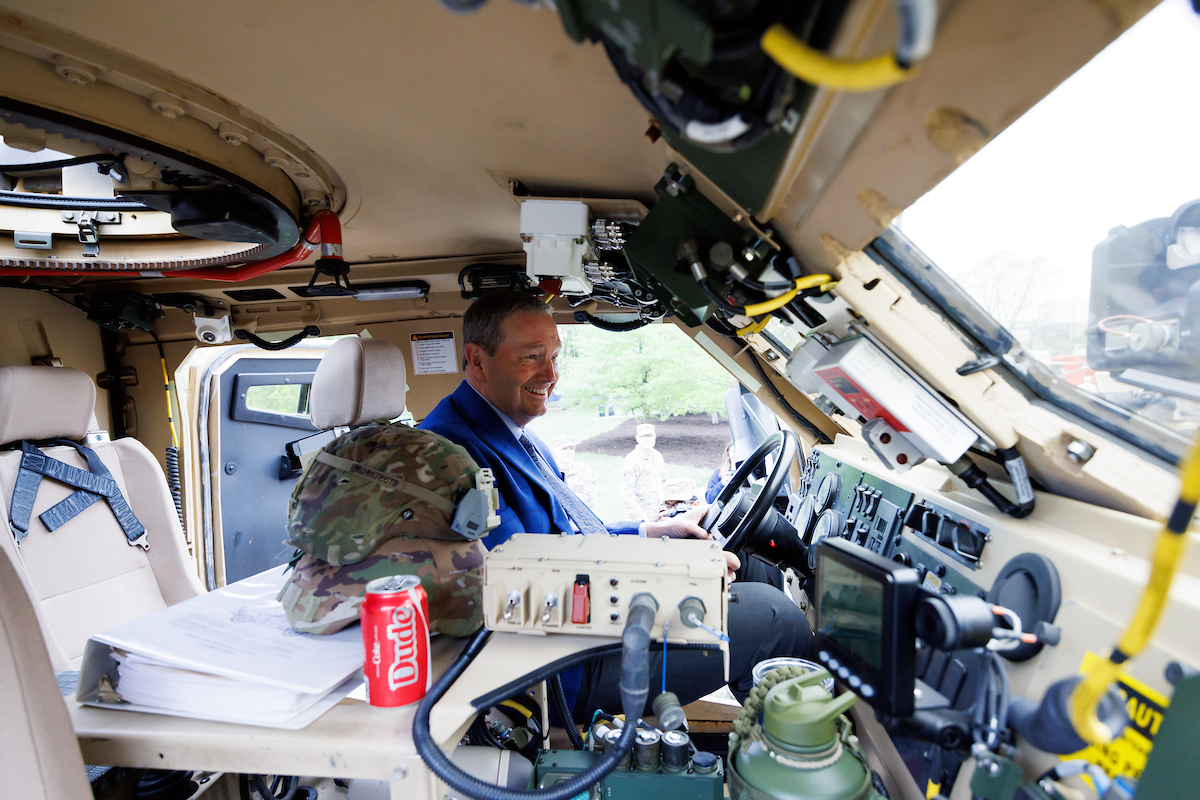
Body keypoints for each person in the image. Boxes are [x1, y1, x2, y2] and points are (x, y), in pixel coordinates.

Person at [420, 290, 813, 720]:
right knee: (777, 619)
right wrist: (679, 580)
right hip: (561, 665)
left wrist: (653, 533)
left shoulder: (512, 431)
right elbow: (523, 588)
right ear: (477, 361)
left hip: (585, 620)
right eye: (531, 357)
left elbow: (570, 536)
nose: (550, 374)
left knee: (751, 563)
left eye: (555, 356)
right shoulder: (451, 455)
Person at [622, 423, 665, 520]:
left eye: (650, 436)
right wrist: (641, 517)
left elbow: (663, 483)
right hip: (641, 515)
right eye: (644, 436)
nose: (648, 439)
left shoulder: (658, 456)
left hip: (659, 512)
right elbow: (627, 493)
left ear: (655, 437)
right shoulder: (631, 460)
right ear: (637, 438)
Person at [553, 434, 598, 508]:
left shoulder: (585, 470)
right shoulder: (550, 471)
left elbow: (590, 501)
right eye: (564, 449)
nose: (568, 452)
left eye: (571, 449)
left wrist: (563, 499)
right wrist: (577, 496)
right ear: (555, 451)